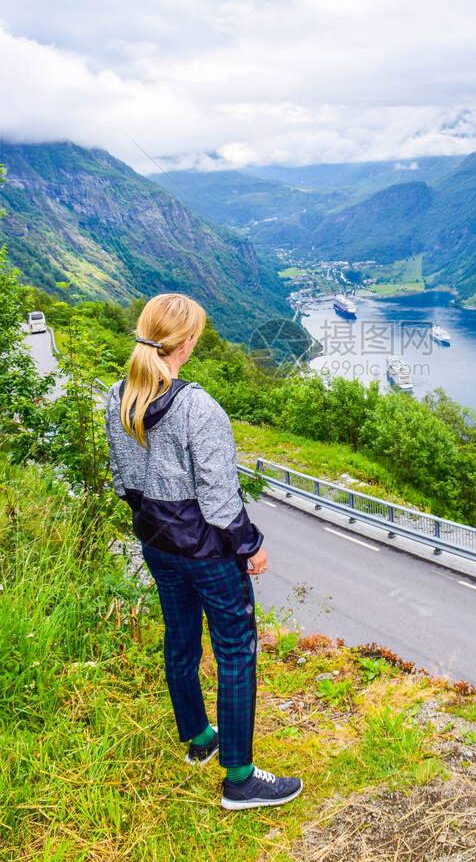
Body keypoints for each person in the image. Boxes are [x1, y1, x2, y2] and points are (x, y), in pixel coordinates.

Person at [104, 292, 302, 811]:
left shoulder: (119, 395)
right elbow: (219, 501)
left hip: (157, 544)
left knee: (181, 639)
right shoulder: (198, 407)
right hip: (207, 552)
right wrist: (251, 546)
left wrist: (155, 521)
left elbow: (123, 480)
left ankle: (198, 739)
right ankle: (239, 778)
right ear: (187, 343)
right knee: (236, 651)